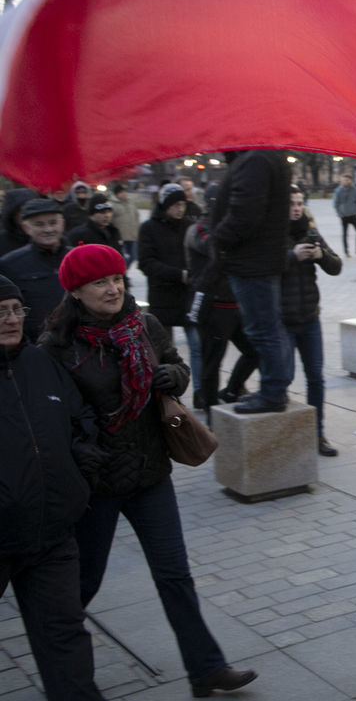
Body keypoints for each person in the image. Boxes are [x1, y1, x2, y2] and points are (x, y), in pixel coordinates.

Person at [40, 245, 259, 697]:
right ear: (76, 291)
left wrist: (173, 378)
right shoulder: (59, 345)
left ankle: (207, 669)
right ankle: (60, 667)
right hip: (98, 484)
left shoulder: (144, 323)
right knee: (84, 583)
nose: (113, 288)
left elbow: (177, 366)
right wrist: (83, 450)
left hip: (149, 474)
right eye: (100, 282)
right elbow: (54, 414)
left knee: (175, 573)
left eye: (117, 278)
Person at [0, 273, 107, 701]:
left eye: (14, 310)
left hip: (52, 536)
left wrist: (81, 468)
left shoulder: (40, 361)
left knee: (66, 637)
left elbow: (80, 421)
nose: (10, 320)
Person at [211, 149, 293, 414]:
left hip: (252, 262)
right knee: (267, 329)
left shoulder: (256, 159)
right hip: (259, 260)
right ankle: (273, 390)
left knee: (263, 331)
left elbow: (244, 214)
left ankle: (273, 394)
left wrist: (216, 238)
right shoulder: (266, 156)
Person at [186, 186, 258, 415]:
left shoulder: (230, 226)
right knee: (212, 361)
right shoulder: (200, 228)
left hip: (237, 304)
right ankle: (209, 409)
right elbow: (216, 249)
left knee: (255, 351)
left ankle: (231, 391)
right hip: (214, 306)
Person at [282, 187, 342, 457]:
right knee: (282, 377)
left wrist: (321, 256)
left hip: (309, 319)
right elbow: (263, 267)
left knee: (315, 378)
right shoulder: (271, 234)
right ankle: (282, 434)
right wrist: (292, 255)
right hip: (281, 320)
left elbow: (336, 265)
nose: (296, 208)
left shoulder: (311, 232)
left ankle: (317, 433)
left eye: (299, 203)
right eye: (291, 203)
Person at [138, 184, 201, 406]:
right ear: (165, 205)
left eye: (183, 204)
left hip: (188, 298)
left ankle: (200, 394)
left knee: (198, 347)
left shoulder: (190, 226)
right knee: (164, 353)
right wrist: (178, 274)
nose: (180, 209)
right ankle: (169, 400)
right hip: (162, 298)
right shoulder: (149, 228)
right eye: (175, 205)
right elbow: (146, 263)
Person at [0, 197, 70, 341]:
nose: (48, 229)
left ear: (62, 224)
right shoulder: (10, 264)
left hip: (79, 342)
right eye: (39, 224)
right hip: (36, 345)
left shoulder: (78, 257)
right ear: (26, 228)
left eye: (53, 222)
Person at [332, 172, 356, 257]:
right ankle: (346, 251)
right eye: (343, 180)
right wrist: (339, 213)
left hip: (353, 215)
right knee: (345, 233)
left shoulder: (355, 190)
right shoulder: (338, 190)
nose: (345, 181)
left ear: (350, 180)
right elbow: (336, 203)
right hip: (344, 215)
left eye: (347, 180)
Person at [0, 186, 38, 257]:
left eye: (32, 210)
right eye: (22, 211)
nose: (28, 215)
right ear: (13, 214)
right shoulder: (2, 241)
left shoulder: (44, 235)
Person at [110, 184, 142, 268]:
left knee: (133, 256)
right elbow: (111, 221)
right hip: (120, 237)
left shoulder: (131, 202)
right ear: (116, 194)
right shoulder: (112, 205)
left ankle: (123, 272)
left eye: (123, 192)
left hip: (132, 235)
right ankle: (123, 274)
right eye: (120, 193)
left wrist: (138, 230)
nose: (123, 194)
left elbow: (136, 216)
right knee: (122, 258)